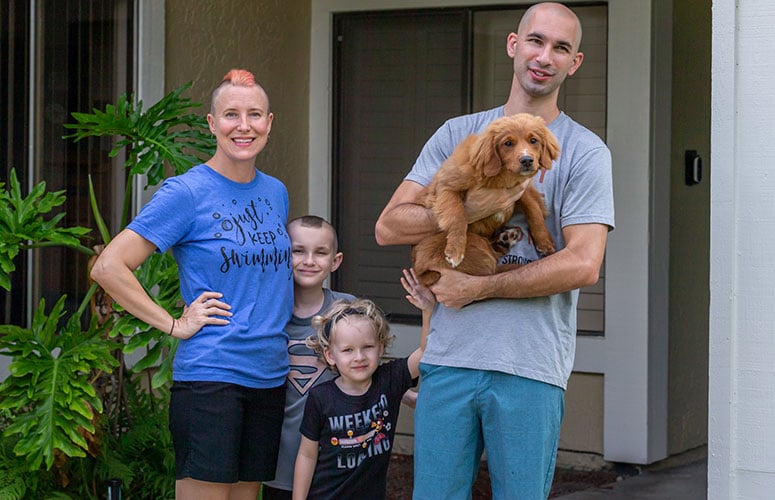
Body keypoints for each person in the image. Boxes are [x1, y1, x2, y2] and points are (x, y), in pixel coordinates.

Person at [374, 3, 615, 499]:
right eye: (536, 41)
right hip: (450, 360)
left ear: (576, 62)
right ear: (513, 44)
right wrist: (477, 201)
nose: (545, 56)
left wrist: (478, 288)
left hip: (530, 368)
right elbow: (388, 225)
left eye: (561, 48)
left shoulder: (585, 152)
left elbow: (584, 264)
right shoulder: (456, 135)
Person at [90, 69, 292, 500]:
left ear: (269, 123)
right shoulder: (186, 192)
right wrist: (173, 324)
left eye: (254, 115)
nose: (244, 125)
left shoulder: (275, 192)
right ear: (211, 123)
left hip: (269, 375)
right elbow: (108, 266)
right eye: (231, 114)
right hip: (213, 377)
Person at [292, 270, 433, 500]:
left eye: (367, 346)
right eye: (347, 350)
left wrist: (427, 311)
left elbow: (426, 352)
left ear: (381, 347)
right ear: (330, 355)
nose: (359, 357)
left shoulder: (389, 380)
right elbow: (307, 455)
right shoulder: (320, 397)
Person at [262, 215, 355, 500]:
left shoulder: (347, 309)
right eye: (297, 250)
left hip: (335, 463)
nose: (308, 260)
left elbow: (363, 369)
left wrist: (407, 396)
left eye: (320, 252)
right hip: (277, 463)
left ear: (335, 261)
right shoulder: (265, 314)